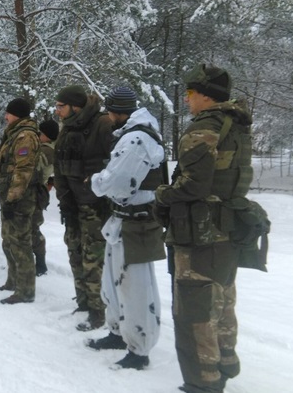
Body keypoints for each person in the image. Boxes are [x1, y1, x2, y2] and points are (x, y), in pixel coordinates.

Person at [155, 64, 252, 393]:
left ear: (205, 95)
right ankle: (224, 363)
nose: (186, 99)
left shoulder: (205, 127)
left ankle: (202, 381)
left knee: (194, 309)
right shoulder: (234, 124)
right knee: (222, 299)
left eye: (190, 93)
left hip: (201, 233)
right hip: (226, 227)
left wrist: (162, 195)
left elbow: (192, 185)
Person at [86, 86, 166, 370]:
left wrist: (96, 181)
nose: (108, 117)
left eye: (110, 112)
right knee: (113, 282)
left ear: (118, 112)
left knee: (135, 288)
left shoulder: (136, 139)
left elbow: (116, 182)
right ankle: (118, 332)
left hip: (138, 223)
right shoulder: (133, 135)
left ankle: (139, 349)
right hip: (124, 219)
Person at [53, 85, 115, 330]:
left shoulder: (102, 124)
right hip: (73, 203)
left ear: (75, 106)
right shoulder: (67, 128)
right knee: (74, 251)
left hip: (96, 205)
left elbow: (116, 162)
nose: (57, 111)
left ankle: (99, 311)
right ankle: (84, 302)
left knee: (94, 259)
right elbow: (59, 166)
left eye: (61, 106)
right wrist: (64, 200)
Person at [0, 98, 41, 304]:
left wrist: (12, 198)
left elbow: (23, 171)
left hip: (19, 199)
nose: (5, 116)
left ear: (16, 114)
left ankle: (26, 290)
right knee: (8, 241)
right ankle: (12, 281)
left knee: (20, 243)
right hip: (8, 197)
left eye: (8, 113)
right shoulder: (13, 133)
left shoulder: (25, 135)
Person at [33, 119, 58, 276]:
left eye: (41, 133)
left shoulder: (47, 150)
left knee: (33, 229)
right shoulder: (44, 148)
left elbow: (34, 167)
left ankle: (40, 264)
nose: (38, 135)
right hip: (37, 191)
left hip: (36, 193)